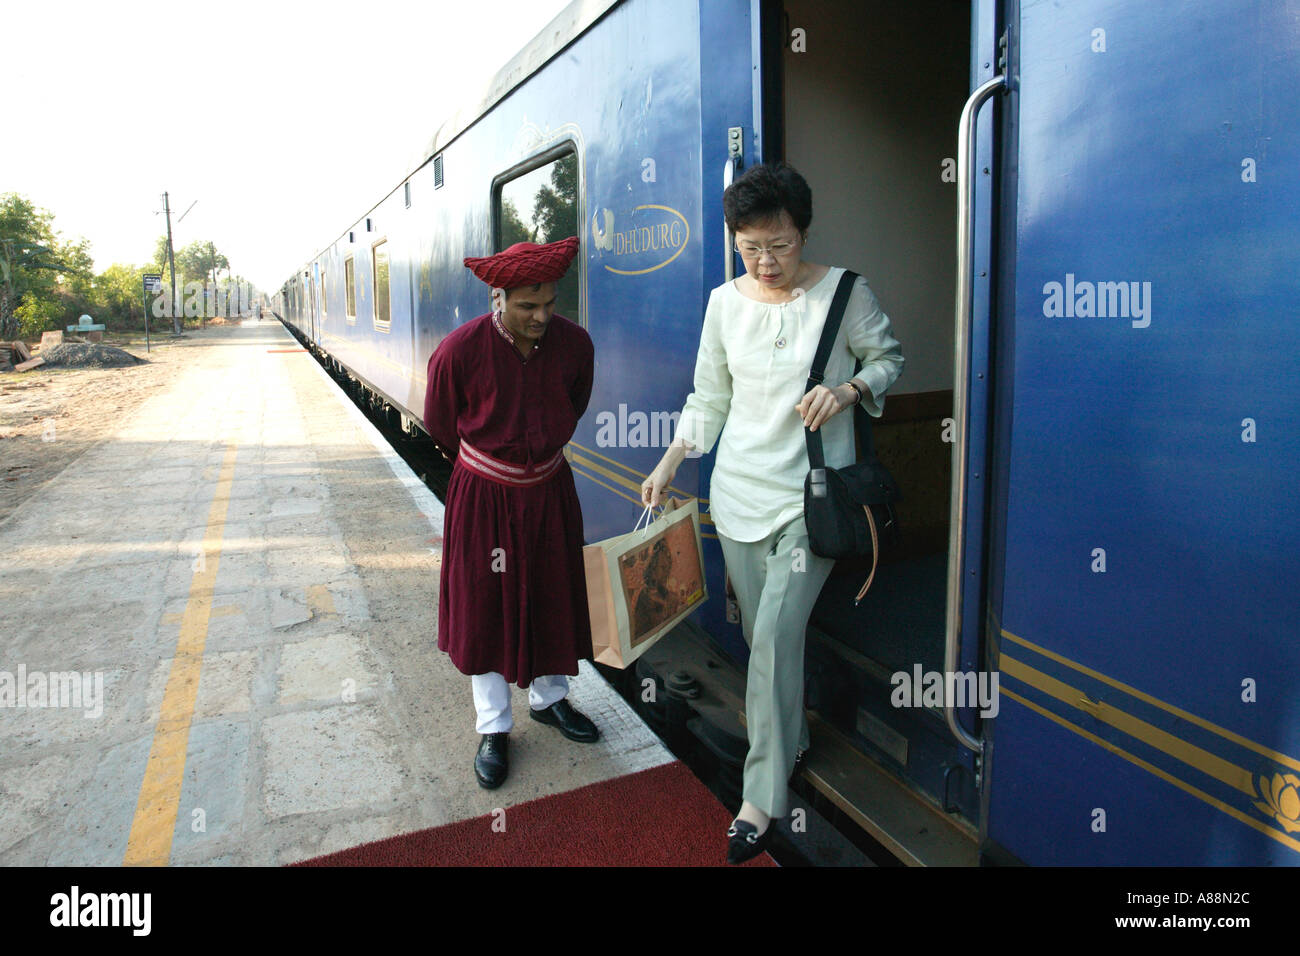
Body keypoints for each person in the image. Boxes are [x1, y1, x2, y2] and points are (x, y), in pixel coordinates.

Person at [642, 162, 903, 863]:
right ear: (735, 241)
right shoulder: (724, 303)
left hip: (807, 501)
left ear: (802, 232)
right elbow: (710, 397)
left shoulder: (846, 293)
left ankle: (761, 793)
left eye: (780, 245)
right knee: (766, 642)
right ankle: (795, 738)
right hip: (737, 495)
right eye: (750, 247)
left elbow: (888, 360)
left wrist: (849, 390)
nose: (765, 261)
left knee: (780, 633)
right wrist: (671, 461)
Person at [423, 235, 600, 790]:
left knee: (553, 593)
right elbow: (440, 424)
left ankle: (550, 700)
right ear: (497, 299)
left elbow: (575, 403)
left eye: (549, 303)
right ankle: (494, 725)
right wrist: (495, 468)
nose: (541, 316)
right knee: (486, 606)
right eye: (527, 306)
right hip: (484, 499)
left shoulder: (576, 346)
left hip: (549, 490)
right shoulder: (459, 351)